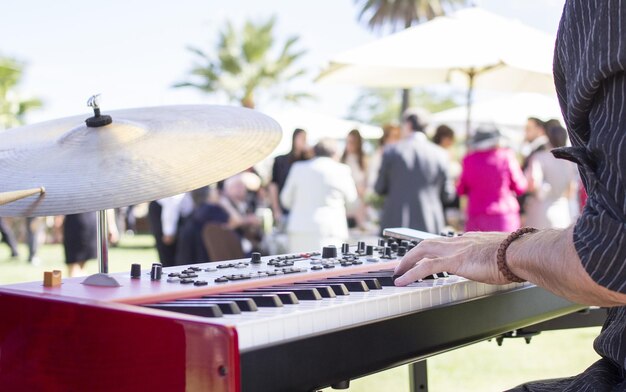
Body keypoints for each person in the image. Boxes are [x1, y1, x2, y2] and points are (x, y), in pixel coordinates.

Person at [394, 2, 626, 390]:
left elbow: (612, 252)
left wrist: (503, 251)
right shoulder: (505, 157)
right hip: (508, 219)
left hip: (485, 225)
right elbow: (520, 187)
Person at [374, 112, 453, 234]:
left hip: (395, 225)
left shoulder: (391, 151)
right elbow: (448, 195)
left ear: (408, 125)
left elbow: (379, 188)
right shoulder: (441, 154)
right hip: (430, 225)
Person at [280, 138, 357, 253]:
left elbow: (285, 200)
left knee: (298, 269)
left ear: (314, 152)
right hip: (330, 231)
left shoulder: (298, 168)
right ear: (335, 153)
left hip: (299, 230)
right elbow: (352, 202)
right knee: (330, 269)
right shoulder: (342, 170)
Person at [456, 126, 527, 232]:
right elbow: (520, 187)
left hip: (476, 218)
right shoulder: (506, 156)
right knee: (505, 248)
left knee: (476, 248)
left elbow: (461, 189)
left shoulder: (468, 159)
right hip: (503, 217)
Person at [524, 125, 579, 229]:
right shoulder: (570, 161)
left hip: (541, 210)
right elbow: (571, 191)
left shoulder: (539, 157)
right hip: (563, 211)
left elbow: (533, 183)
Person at [268, 128, 310, 225]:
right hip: (284, 208)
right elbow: (273, 185)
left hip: (303, 210)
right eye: (302, 138)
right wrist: (276, 209)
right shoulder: (280, 161)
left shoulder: (308, 162)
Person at [341, 129, 368, 230]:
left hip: (360, 203)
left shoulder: (363, 160)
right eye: (347, 142)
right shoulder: (342, 160)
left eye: (352, 142)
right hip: (346, 203)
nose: (349, 145)